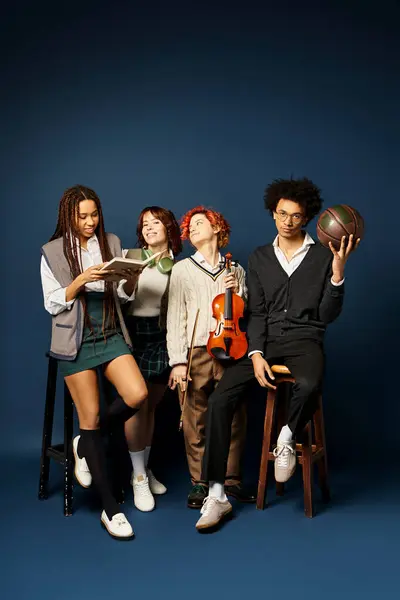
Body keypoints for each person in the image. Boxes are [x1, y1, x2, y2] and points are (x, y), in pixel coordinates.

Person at [196, 177, 360, 530]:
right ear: (273, 214)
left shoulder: (321, 255)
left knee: (311, 380)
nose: (287, 221)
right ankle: (216, 495)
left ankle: (286, 438)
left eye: (296, 216)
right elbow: (254, 313)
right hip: (265, 343)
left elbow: (328, 316)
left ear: (307, 218)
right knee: (219, 399)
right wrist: (255, 354)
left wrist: (337, 274)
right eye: (282, 214)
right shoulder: (259, 257)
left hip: (305, 341)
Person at [40, 184, 147, 540]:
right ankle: (110, 510)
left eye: (94, 214)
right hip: (74, 338)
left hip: (110, 330)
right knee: (91, 417)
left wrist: (131, 281)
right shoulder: (52, 251)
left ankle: (85, 443)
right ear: (68, 216)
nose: (89, 221)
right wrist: (81, 280)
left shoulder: (112, 243)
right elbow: (52, 303)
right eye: (82, 216)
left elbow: (122, 296)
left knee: (137, 394)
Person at [167, 206, 256, 508]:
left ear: (218, 228)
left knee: (234, 418)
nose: (192, 228)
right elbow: (175, 316)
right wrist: (178, 361)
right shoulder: (182, 269)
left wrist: (238, 290)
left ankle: (229, 481)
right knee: (195, 417)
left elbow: (245, 313)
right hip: (198, 351)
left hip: (233, 349)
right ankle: (199, 483)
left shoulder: (237, 270)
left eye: (200, 223)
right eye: (189, 226)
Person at [123, 206, 182, 512]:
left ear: (168, 227)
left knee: (152, 406)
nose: (148, 228)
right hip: (134, 335)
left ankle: (144, 468)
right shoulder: (129, 256)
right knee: (136, 404)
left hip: (163, 336)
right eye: (144, 224)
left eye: (155, 222)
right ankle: (138, 477)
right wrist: (131, 279)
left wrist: (178, 357)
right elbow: (118, 297)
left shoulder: (179, 266)